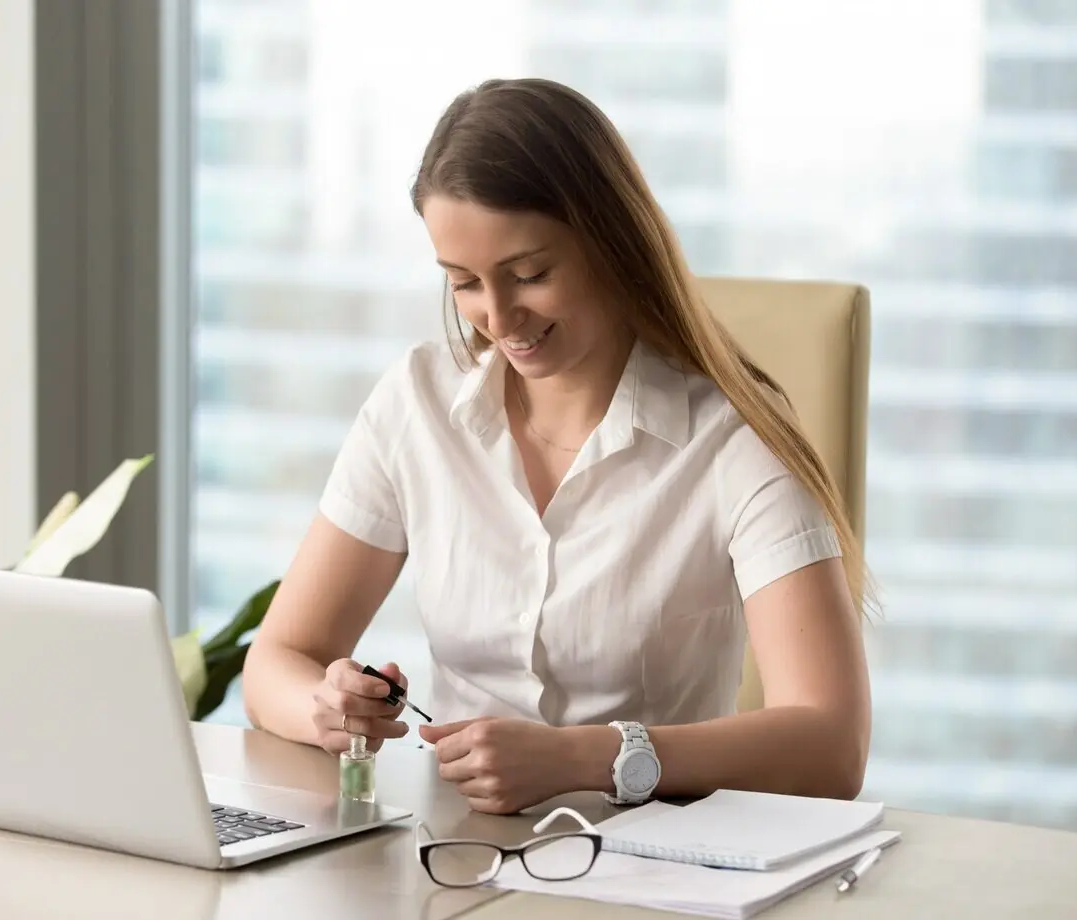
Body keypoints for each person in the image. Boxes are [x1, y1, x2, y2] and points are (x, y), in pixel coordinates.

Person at [241, 77, 872, 816]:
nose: (499, 317)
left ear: (611, 240)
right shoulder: (417, 402)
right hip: (454, 859)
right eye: (464, 283)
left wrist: (587, 757)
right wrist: (326, 707)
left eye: (530, 275)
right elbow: (274, 663)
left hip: (658, 867)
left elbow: (831, 746)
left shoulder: (733, 436)